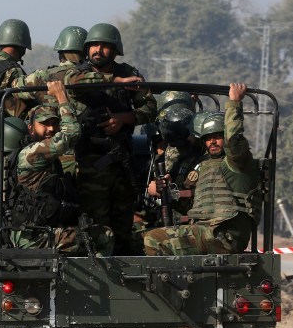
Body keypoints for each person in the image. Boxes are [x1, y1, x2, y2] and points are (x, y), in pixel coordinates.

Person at [69, 23, 157, 255]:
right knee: (94, 224)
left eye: (105, 46)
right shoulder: (77, 74)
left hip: (120, 160)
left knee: (122, 224)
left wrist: (124, 118)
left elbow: (149, 108)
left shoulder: (129, 74)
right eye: (94, 45)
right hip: (88, 161)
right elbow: (73, 86)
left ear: (115, 50)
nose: (98, 50)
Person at [144, 83, 261, 256]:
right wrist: (167, 191)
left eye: (217, 136)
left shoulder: (236, 162)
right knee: (142, 239)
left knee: (153, 239)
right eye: (208, 138)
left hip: (224, 235)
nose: (212, 141)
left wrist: (234, 102)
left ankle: (168, 283)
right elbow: (192, 207)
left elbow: (234, 141)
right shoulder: (205, 166)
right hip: (205, 231)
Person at [7, 81, 113, 255]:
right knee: (105, 235)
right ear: (30, 129)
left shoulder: (44, 154)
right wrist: (61, 96)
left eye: (54, 124)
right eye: (44, 124)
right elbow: (71, 133)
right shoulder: (32, 153)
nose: (51, 128)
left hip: (39, 231)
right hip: (35, 238)